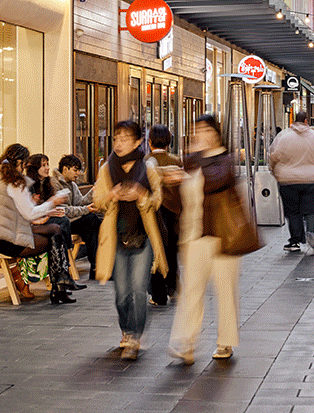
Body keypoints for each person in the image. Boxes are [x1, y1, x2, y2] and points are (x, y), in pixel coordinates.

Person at [169, 114, 242, 364]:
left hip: (223, 236)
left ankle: (225, 341)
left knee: (225, 291)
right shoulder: (190, 161)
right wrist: (170, 183)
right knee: (191, 291)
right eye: (196, 129)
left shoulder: (224, 159)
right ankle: (186, 342)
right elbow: (177, 201)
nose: (200, 134)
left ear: (216, 133)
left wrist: (198, 159)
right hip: (193, 236)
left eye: (205, 130)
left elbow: (217, 181)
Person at [94, 120, 167, 361]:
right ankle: (126, 329)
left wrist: (141, 194)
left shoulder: (148, 168)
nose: (119, 143)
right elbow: (98, 201)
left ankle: (135, 337)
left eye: (125, 139)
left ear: (138, 141)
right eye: (116, 138)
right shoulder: (106, 169)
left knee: (138, 290)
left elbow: (157, 200)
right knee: (121, 293)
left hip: (143, 238)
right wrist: (112, 194)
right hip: (116, 238)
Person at [0, 143, 77, 304]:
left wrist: (36, 206)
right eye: (24, 163)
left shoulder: (0, 177)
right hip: (8, 241)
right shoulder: (14, 182)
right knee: (55, 234)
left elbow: (14, 211)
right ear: (20, 162)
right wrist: (53, 202)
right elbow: (30, 213)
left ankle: (60, 286)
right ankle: (60, 286)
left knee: (55, 229)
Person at [269, 110, 314, 253]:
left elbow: (273, 156)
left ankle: (295, 241)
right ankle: (311, 233)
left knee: (293, 211)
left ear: (294, 121)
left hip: (288, 180)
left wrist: (275, 172)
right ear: (306, 121)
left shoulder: (283, 137)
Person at [145, 124, 182, 306]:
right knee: (172, 250)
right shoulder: (177, 160)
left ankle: (158, 295)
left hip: (155, 213)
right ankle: (173, 288)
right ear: (169, 141)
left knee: (156, 253)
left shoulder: (146, 161)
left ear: (150, 141)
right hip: (175, 213)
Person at [51, 154, 101, 280]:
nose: (78, 173)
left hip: (71, 220)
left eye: (78, 170)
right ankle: (96, 268)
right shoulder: (54, 183)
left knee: (95, 221)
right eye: (75, 170)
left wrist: (93, 192)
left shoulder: (72, 184)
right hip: (61, 222)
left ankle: (98, 267)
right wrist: (86, 209)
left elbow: (79, 202)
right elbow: (63, 210)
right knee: (92, 220)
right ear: (65, 168)